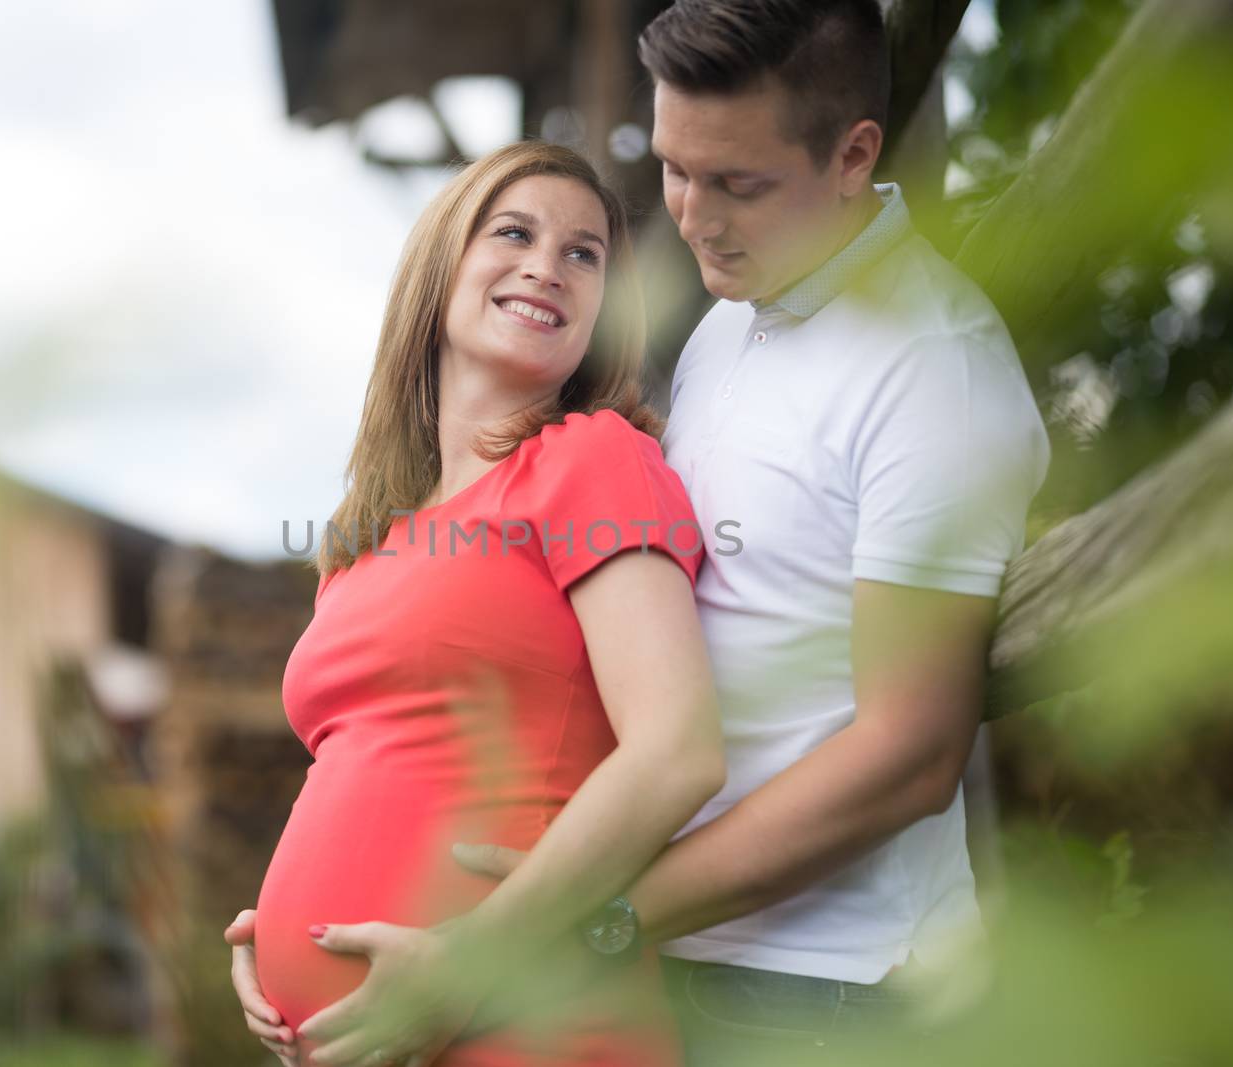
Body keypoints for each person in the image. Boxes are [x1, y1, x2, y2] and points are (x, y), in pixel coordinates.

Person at [229, 1, 1052, 1062]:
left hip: (826, 989)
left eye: (737, 183)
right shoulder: (727, 330)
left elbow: (909, 753)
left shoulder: (930, 369)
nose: (694, 218)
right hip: (676, 960)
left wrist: (584, 922)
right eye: (672, 169)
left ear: (852, 156)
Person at [233, 139, 726, 1067]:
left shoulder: (591, 457)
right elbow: (375, 761)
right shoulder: (366, 537)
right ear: (441, 265)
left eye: (586, 254)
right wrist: (283, 930)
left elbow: (678, 752)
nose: (549, 264)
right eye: (515, 232)